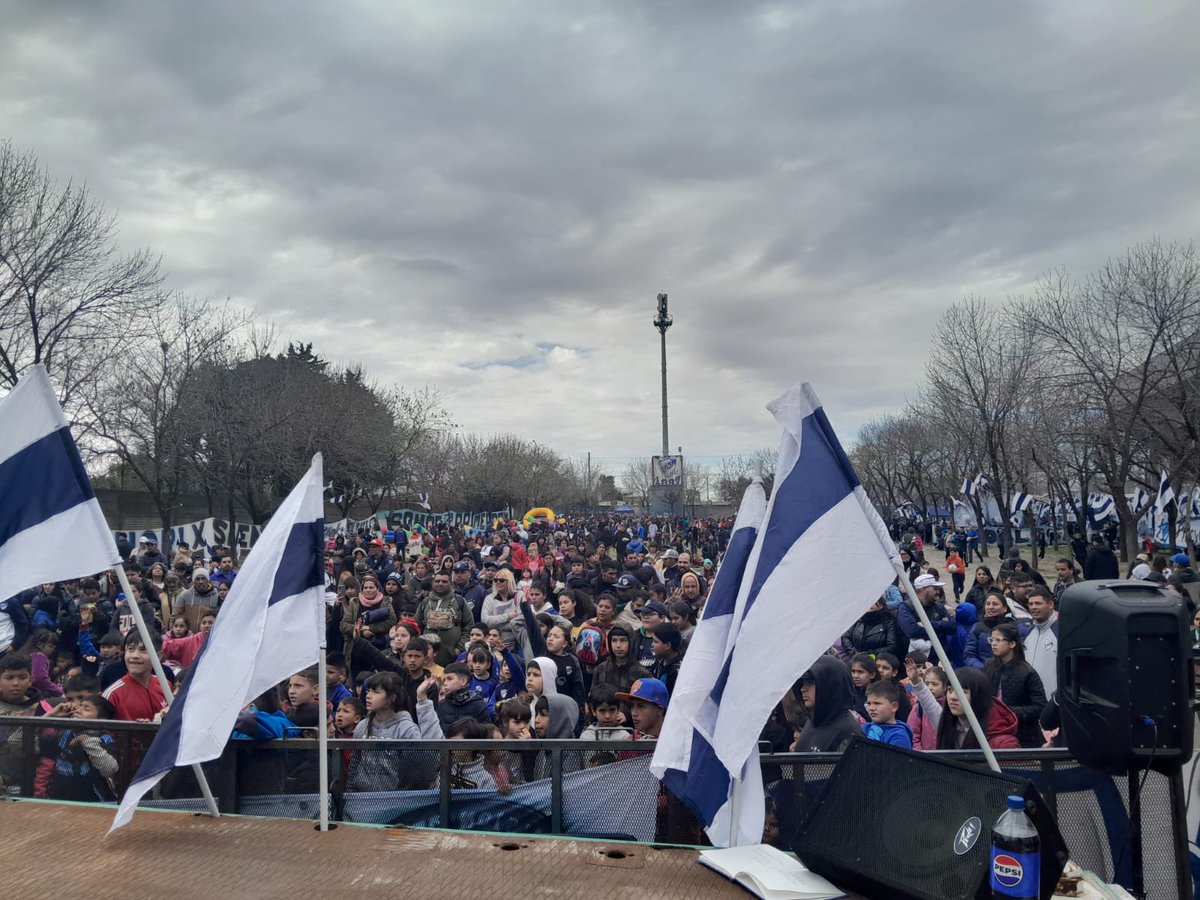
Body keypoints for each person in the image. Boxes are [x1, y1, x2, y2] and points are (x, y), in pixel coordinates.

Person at [346, 670, 441, 791]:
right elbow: (355, 763)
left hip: (394, 800)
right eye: (368, 691)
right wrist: (350, 792)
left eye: (375, 692)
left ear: (392, 698)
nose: (368, 696)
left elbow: (414, 774)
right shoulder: (362, 726)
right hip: (361, 800)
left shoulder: (407, 730)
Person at [908, 663, 1020, 750]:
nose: (952, 697)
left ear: (978, 696)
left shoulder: (1004, 743)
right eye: (950, 690)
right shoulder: (947, 725)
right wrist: (917, 683)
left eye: (962, 692)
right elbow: (931, 707)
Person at [38, 694, 119, 801]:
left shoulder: (105, 739)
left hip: (96, 805)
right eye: (79, 706)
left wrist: (85, 740)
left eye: (86, 708)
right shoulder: (63, 734)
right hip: (59, 802)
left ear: (101, 719)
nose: (78, 710)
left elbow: (109, 769)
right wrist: (51, 714)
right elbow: (18, 741)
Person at [984, 622, 1047, 747]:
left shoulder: (1027, 672)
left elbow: (1040, 706)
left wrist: (1008, 711)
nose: (994, 644)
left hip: (1023, 733)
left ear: (1012, 644)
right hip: (993, 730)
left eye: (998, 640)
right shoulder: (989, 666)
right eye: (991, 639)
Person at [792, 656, 860, 752]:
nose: (803, 689)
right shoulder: (814, 720)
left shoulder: (848, 733)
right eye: (803, 683)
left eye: (810, 683)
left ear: (830, 686)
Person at [102, 631, 167, 722]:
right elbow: (101, 733)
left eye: (143, 649)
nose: (135, 656)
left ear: (159, 656)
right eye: (131, 649)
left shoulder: (166, 686)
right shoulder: (113, 695)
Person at [898, 573, 955, 661]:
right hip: (917, 661)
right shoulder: (906, 607)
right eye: (935, 589)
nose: (938, 592)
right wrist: (942, 625)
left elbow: (952, 626)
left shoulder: (938, 606)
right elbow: (911, 631)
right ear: (924, 588)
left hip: (940, 658)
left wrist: (926, 624)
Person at [1020, 586, 1059, 696]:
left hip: (1052, 702)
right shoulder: (1029, 632)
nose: (1033, 607)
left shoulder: (1061, 632)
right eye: (1031, 604)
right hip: (1030, 701)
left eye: (1038, 603)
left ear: (1050, 604)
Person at [590, 624, 649, 697]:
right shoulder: (600, 670)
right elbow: (593, 698)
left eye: (623, 640)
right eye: (614, 640)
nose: (618, 645)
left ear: (631, 642)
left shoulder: (641, 673)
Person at [840, 597, 906, 661]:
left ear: (881, 606)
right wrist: (854, 653)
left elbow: (892, 646)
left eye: (873, 602)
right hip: (856, 660)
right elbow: (846, 637)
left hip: (878, 663)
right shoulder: (858, 619)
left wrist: (869, 654)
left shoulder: (889, 623)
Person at [436, 663, 491, 729]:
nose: (445, 683)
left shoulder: (478, 705)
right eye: (444, 679)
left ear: (463, 681)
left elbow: (486, 732)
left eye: (449, 679)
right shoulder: (442, 704)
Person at [860, 681, 914, 748]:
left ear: (894, 707)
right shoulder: (864, 728)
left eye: (877, 703)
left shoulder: (899, 736)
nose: (871, 708)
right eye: (869, 703)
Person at [907, 664, 947, 750]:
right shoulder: (919, 706)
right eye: (927, 683)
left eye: (935, 684)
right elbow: (913, 733)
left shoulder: (950, 706)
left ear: (945, 687)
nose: (930, 687)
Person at [648, 623, 683, 696]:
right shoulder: (659, 660)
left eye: (655, 642)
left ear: (667, 645)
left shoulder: (677, 671)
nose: (652, 644)